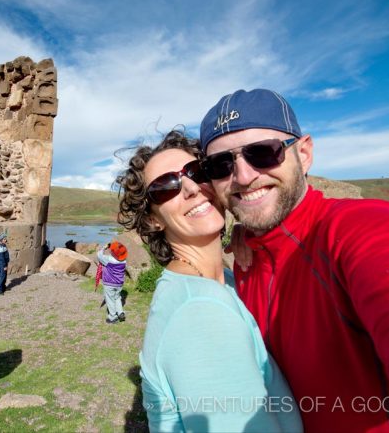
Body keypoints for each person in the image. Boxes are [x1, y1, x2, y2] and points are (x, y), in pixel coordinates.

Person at [199, 88, 389, 432]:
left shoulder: (356, 227)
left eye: (263, 153)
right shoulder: (246, 259)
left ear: (303, 154)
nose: (243, 177)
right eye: (220, 164)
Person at [116, 129, 302, 432]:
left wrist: (253, 235)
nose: (191, 188)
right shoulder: (199, 313)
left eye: (196, 171)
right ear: (153, 219)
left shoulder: (219, 280)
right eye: (165, 188)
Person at [97, 240, 128, 324]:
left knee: (110, 300)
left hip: (109, 284)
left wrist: (104, 247)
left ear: (113, 253)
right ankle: (120, 312)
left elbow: (99, 255)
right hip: (119, 283)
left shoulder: (108, 260)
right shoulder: (124, 261)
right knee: (117, 297)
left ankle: (112, 317)